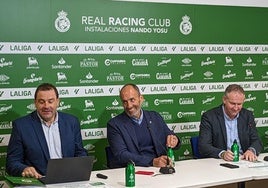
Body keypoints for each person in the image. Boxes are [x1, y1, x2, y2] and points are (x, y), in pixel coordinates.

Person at [6, 83, 87, 178]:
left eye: (50, 101)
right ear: (35, 103)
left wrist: (81, 163)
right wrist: (24, 169)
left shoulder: (72, 122)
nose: (46, 106)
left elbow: (80, 152)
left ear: (57, 102)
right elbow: (12, 162)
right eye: (41, 102)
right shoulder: (21, 126)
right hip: (38, 181)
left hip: (68, 179)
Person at [107, 83, 180, 168]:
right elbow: (121, 155)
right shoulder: (114, 125)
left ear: (141, 99)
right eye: (125, 102)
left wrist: (175, 140)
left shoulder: (155, 117)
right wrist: (152, 162)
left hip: (160, 168)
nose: (129, 106)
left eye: (132, 100)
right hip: (134, 170)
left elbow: (170, 135)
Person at [198, 84, 263, 162]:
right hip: (221, 162)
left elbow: (257, 141)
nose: (236, 108)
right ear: (224, 100)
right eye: (232, 103)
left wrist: (251, 150)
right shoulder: (209, 117)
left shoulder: (247, 115)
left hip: (244, 161)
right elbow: (203, 146)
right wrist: (222, 154)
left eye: (239, 104)